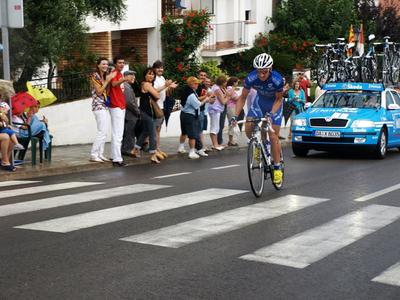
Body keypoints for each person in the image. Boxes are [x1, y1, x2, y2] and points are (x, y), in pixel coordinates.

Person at [232, 53, 284, 185]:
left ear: (270, 69)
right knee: (248, 127)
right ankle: (257, 146)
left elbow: (279, 99)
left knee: (273, 136)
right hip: (259, 103)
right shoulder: (251, 77)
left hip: (274, 105)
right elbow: (242, 98)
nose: (261, 75)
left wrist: (271, 113)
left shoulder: (277, 79)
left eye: (264, 72)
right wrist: (234, 115)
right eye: (259, 72)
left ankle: (277, 167)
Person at [133, 68, 162, 164]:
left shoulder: (149, 85)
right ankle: (153, 155)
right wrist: (156, 93)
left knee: (145, 132)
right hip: (146, 112)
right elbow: (157, 96)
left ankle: (135, 149)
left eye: (153, 74)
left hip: (147, 112)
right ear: (145, 75)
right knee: (152, 134)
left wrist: (164, 87)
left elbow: (155, 93)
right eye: (149, 74)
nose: (151, 76)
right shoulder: (146, 84)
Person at [89, 57, 115, 163]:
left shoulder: (104, 76)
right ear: (98, 65)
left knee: (104, 131)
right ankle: (93, 154)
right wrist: (107, 80)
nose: (105, 66)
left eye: (106, 64)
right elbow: (99, 92)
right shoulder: (95, 76)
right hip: (98, 106)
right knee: (102, 131)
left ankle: (100, 154)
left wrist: (108, 80)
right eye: (103, 64)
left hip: (104, 105)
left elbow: (106, 92)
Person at [152, 60, 177, 158]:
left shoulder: (162, 78)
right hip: (155, 106)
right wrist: (165, 85)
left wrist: (170, 87)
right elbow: (154, 91)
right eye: (158, 67)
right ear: (154, 69)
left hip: (161, 105)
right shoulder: (153, 78)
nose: (160, 69)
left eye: (161, 67)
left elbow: (163, 91)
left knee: (158, 129)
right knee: (154, 129)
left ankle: (157, 148)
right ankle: (154, 149)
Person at [180, 77, 209, 159]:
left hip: (185, 114)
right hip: (190, 115)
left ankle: (198, 149)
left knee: (186, 132)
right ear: (191, 84)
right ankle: (192, 151)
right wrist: (206, 99)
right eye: (196, 83)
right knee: (193, 134)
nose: (197, 85)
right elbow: (198, 105)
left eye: (197, 83)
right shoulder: (191, 94)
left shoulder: (188, 91)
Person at [109, 55, 128, 167]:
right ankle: (117, 159)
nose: (121, 64)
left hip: (120, 106)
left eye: (123, 63)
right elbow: (113, 84)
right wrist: (124, 79)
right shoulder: (115, 73)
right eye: (119, 62)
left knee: (116, 133)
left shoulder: (119, 74)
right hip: (116, 105)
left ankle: (113, 155)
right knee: (118, 133)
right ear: (115, 64)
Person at [121, 70, 140, 157]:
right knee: (130, 132)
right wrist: (137, 111)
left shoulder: (126, 86)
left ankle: (125, 149)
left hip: (129, 113)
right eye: (131, 75)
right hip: (130, 114)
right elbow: (129, 102)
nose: (133, 77)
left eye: (134, 75)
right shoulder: (126, 86)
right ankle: (128, 150)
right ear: (125, 77)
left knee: (128, 132)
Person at [209, 75, 230, 150]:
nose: (226, 83)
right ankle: (215, 145)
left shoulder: (215, 87)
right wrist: (228, 96)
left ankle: (216, 144)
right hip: (215, 110)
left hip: (214, 110)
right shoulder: (217, 89)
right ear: (223, 82)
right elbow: (223, 102)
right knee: (215, 128)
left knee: (215, 127)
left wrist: (225, 95)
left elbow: (220, 98)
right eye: (225, 82)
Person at [226, 77, 240, 146]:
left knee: (232, 123)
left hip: (232, 107)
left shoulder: (230, 88)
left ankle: (231, 140)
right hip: (231, 107)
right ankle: (231, 140)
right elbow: (235, 98)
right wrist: (242, 96)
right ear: (234, 82)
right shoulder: (230, 88)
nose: (237, 84)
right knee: (232, 123)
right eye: (237, 82)